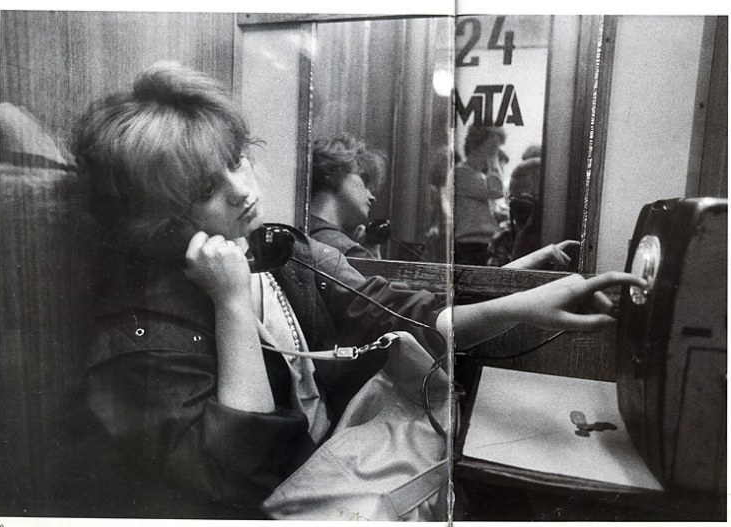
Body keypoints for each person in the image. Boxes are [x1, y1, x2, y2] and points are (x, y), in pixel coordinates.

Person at [70, 61, 645, 519]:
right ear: (159, 219)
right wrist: (230, 304)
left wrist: (525, 307)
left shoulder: (282, 250)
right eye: (205, 188)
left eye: (236, 160)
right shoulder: (139, 339)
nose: (242, 189)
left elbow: (394, 313)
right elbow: (239, 478)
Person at [309, 135, 386, 258]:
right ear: (333, 173)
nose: (372, 197)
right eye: (364, 181)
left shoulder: (303, 234)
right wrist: (371, 258)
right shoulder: (352, 252)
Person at [454, 125, 508, 265]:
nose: (496, 152)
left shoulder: (476, 175)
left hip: (479, 243)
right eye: (494, 148)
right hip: (471, 245)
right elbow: (496, 191)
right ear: (480, 146)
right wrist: (492, 158)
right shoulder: (461, 173)